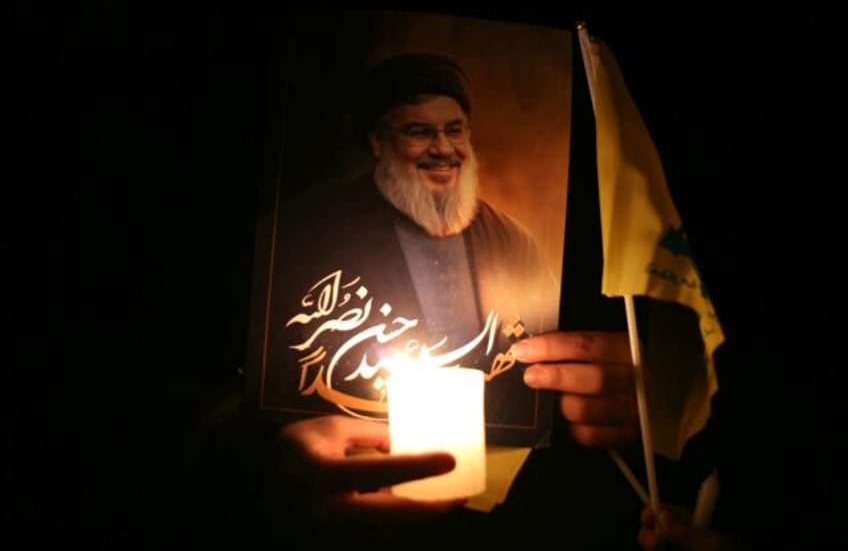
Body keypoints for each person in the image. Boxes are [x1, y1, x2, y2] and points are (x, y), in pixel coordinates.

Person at [182, 51, 647, 548]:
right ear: (377, 141)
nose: (443, 148)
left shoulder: (514, 239)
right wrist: (264, 460)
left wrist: (624, 397)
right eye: (419, 131)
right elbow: (211, 395)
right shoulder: (297, 234)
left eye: (456, 129)